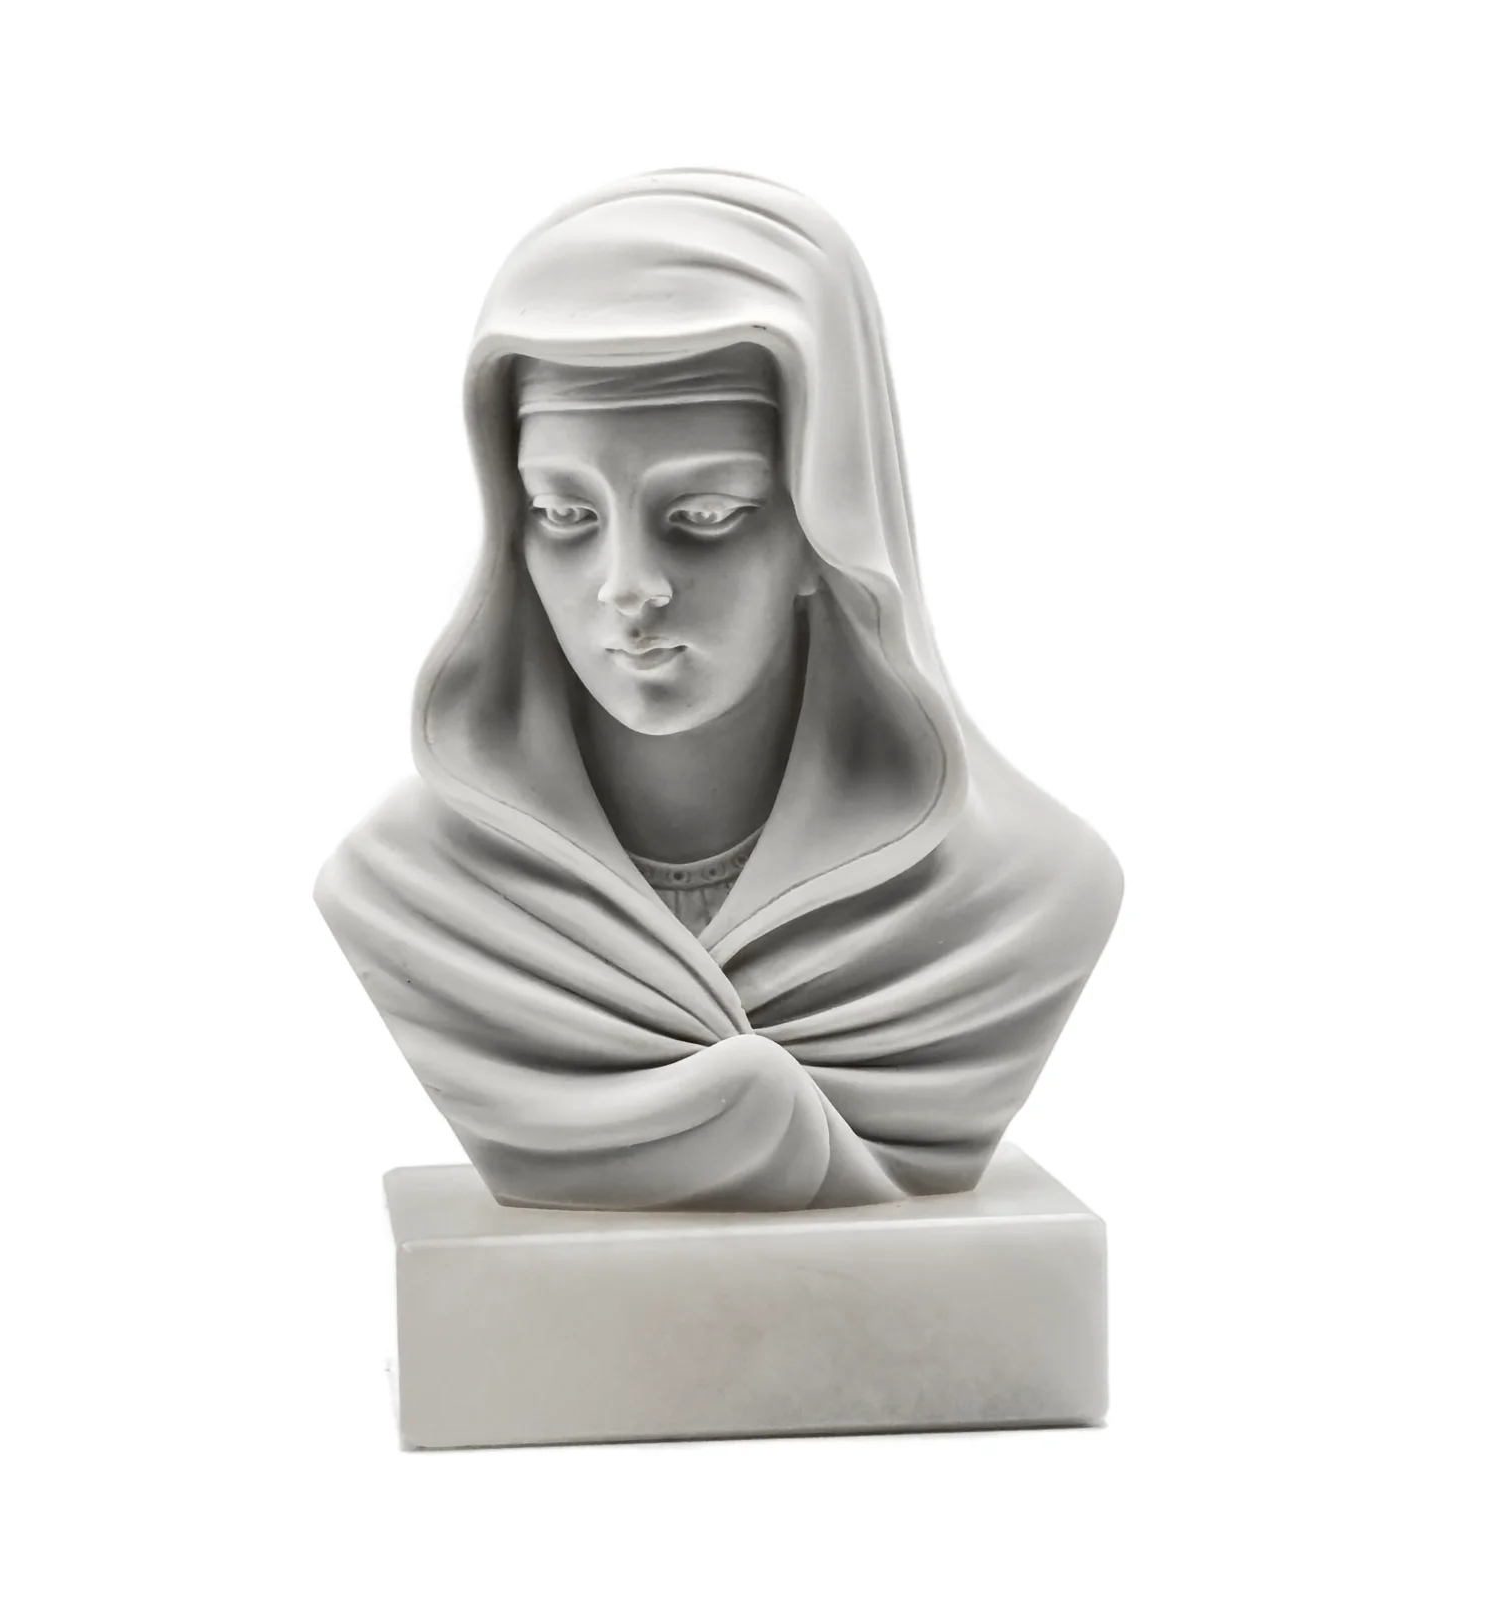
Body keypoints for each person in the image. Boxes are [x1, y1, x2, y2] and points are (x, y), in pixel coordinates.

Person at [315, 170, 1122, 1210]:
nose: (627, 588)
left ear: (825, 529)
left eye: (703, 516)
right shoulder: (410, 891)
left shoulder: (1021, 900)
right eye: (564, 516)